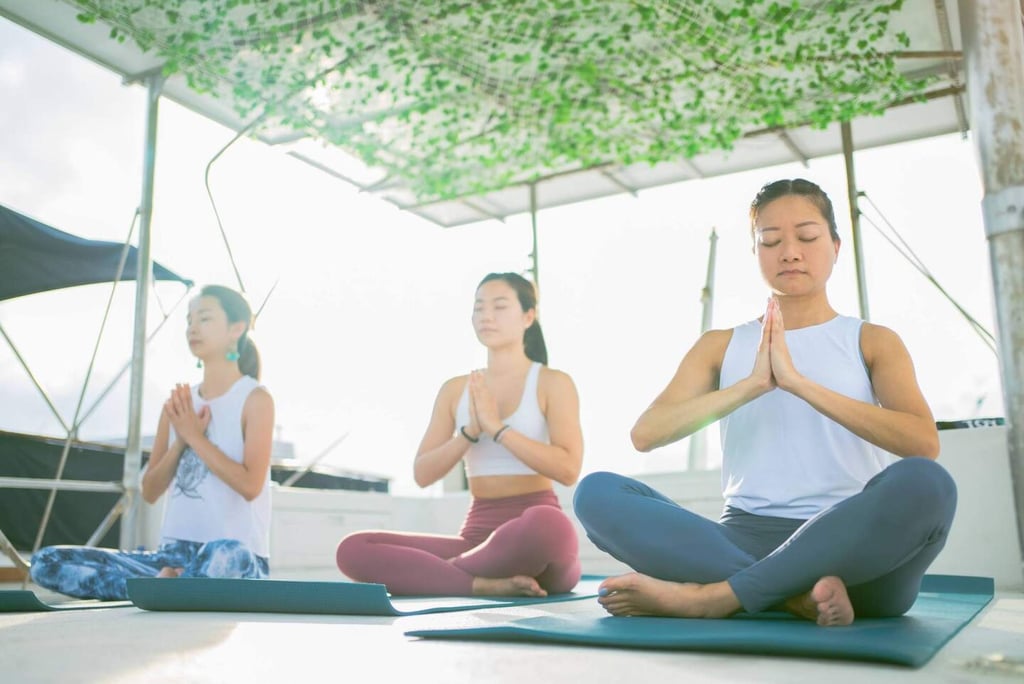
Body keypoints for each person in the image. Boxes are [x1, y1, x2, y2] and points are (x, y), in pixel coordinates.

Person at [573, 178, 956, 626]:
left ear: (835, 245)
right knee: (596, 493)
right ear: (755, 252)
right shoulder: (721, 345)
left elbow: (922, 443)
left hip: (852, 552)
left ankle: (713, 598)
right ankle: (787, 597)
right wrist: (751, 385)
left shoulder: (872, 340)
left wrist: (799, 383)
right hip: (744, 540)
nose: (790, 251)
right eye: (770, 241)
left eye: (807, 237)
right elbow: (646, 434)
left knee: (929, 484)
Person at [336, 272, 584, 596]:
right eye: (479, 308)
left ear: (528, 316)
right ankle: (481, 583)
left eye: (499, 306)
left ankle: (442, 576)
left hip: (537, 542)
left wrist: (498, 429)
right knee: (354, 548)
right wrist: (469, 433)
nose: (486, 316)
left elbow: (568, 469)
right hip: (477, 540)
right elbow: (423, 474)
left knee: (549, 525)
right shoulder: (456, 390)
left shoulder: (553, 382)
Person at [30, 285, 275, 600]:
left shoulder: (254, 398)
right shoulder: (178, 404)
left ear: (236, 328)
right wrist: (179, 443)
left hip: (232, 558)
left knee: (226, 554)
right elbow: (150, 490)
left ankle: (164, 589)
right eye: (189, 320)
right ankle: (164, 589)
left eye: (205, 318)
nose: (193, 328)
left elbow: (251, 486)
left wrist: (194, 436)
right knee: (46, 562)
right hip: (170, 559)